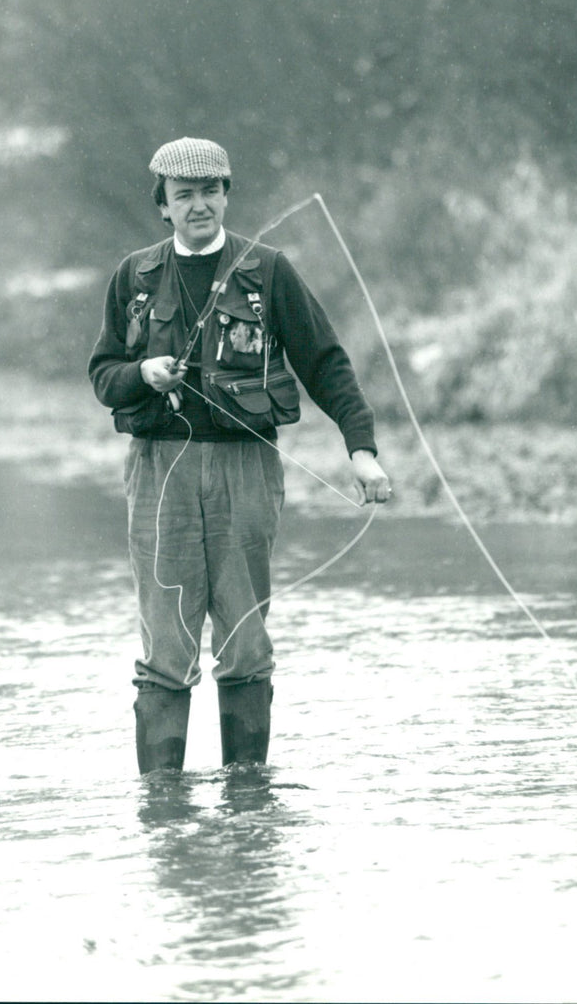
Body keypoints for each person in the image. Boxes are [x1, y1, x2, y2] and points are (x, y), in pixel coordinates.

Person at [89, 136, 390, 775]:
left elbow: (326, 362)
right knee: (166, 647)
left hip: (246, 470)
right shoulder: (133, 276)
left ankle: (248, 804)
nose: (199, 205)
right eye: (184, 195)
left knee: (245, 640)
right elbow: (102, 375)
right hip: (159, 470)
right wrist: (142, 373)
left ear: (226, 195)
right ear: (163, 207)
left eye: (210, 192)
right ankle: (164, 810)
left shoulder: (270, 271)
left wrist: (361, 450)